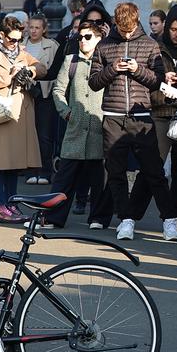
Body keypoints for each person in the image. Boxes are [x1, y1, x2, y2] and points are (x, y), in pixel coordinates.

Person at [88, 1, 170, 242]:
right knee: (115, 172)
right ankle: (125, 220)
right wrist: (113, 69)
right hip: (113, 116)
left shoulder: (149, 44)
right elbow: (94, 82)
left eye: (130, 29)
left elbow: (159, 81)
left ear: (136, 21)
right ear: (115, 23)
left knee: (153, 170)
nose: (126, 33)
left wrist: (137, 70)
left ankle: (170, 219)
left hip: (141, 115)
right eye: (122, 30)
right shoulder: (104, 45)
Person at [0, 14, 44, 223]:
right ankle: (0, 206)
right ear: (1, 35)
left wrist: (30, 71)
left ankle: (12, 204)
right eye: (12, 39)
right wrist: (11, 75)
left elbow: (42, 68)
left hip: (18, 113)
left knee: (14, 163)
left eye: (18, 39)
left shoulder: (22, 52)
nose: (15, 43)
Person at [49, 19, 113, 231]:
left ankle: (98, 218)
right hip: (75, 127)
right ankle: (53, 218)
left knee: (99, 179)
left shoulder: (106, 62)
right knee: (64, 178)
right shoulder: (71, 60)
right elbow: (58, 91)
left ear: (98, 39)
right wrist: (66, 112)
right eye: (80, 37)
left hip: (99, 127)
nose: (82, 41)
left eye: (88, 37)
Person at [150, 5, 177, 241]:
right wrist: (164, 86)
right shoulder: (156, 47)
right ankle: (164, 214)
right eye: (174, 29)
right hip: (161, 111)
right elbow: (148, 81)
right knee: (155, 166)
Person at [24, 14, 60, 185]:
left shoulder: (52, 46)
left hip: (45, 94)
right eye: (31, 27)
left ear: (44, 29)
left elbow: (57, 70)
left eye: (37, 27)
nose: (34, 30)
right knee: (28, 134)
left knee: (45, 134)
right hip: (24, 95)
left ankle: (45, 171)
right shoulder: (21, 45)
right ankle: (31, 170)